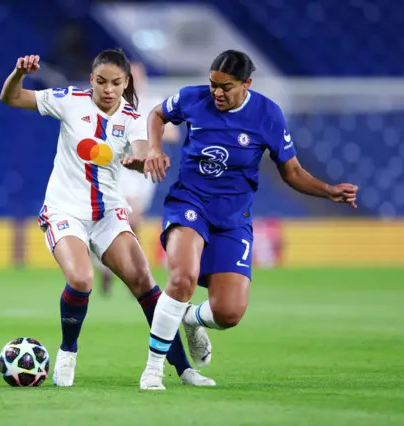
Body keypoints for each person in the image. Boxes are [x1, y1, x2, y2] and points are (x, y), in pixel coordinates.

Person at [139, 50, 359, 390]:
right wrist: (154, 149)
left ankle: (190, 318)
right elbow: (156, 114)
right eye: (213, 84)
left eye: (225, 87)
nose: (216, 93)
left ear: (247, 84)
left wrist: (327, 190)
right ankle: (153, 369)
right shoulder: (191, 98)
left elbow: (292, 172)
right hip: (189, 203)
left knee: (228, 313)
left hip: (232, 218)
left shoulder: (267, 114)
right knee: (182, 278)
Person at [0, 49, 212, 387]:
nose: (108, 89)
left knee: (145, 283)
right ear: (91, 80)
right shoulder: (69, 99)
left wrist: (143, 162)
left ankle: (184, 369)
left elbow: (141, 150)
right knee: (82, 279)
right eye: (101, 81)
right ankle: (68, 354)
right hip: (64, 210)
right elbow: (11, 97)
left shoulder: (133, 117)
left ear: (126, 83)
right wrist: (19, 73)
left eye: (115, 82)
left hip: (108, 213)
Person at [96, 61, 180, 296]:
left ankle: (110, 265)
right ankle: (139, 277)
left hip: (145, 169)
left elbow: (173, 132)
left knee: (134, 220)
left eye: (138, 77)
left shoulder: (154, 103)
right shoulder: (113, 103)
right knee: (129, 213)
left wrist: (152, 134)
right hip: (120, 168)